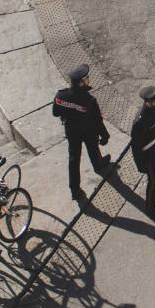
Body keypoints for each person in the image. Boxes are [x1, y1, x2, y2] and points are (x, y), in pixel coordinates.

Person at [52, 63, 111, 203]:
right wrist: (105, 135)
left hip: (72, 132)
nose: (88, 79)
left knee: (74, 159)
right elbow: (98, 120)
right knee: (93, 148)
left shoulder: (61, 96)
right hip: (89, 131)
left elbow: (55, 113)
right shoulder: (89, 100)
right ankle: (98, 165)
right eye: (86, 78)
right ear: (80, 83)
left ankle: (75, 190)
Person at [130, 84, 155, 219]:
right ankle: (150, 208)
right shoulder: (140, 122)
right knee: (152, 182)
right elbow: (136, 148)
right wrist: (142, 165)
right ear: (148, 103)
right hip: (149, 158)